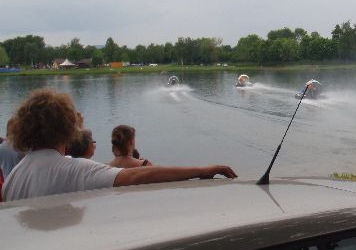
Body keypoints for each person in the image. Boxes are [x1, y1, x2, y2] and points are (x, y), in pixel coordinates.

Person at [3, 89, 237, 202]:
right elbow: (137, 177)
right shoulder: (71, 169)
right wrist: (205, 170)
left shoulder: (15, 176)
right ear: (66, 128)